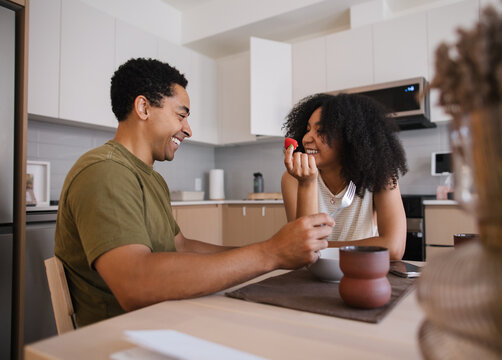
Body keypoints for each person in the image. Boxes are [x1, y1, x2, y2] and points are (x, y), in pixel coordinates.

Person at [54, 58, 334, 327]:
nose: (187, 129)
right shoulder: (105, 171)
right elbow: (134, 283)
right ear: (143, 108)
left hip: (165, 318)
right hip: (120, 337)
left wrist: (268, 254)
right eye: (181, 115)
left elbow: (181, 247)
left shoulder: (151, 179)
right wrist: (270, 253)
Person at [281, 93, 407, 260]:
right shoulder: (293, 179)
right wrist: (308, 183)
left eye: (321, 131)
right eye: (308, 129)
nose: (306, 138)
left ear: (350, 138)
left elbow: (394, 247)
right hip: (315, 275)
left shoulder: (380, 174)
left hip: (365, 269)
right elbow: (303, 249)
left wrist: (321, 248)